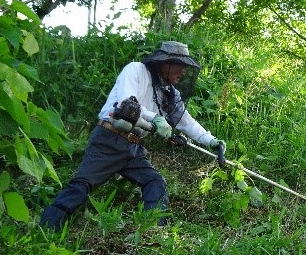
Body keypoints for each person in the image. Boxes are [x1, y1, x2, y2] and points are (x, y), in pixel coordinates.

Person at [40, 41, 226, 230]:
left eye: (186, 67)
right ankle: (48, 227)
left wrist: (210, 141)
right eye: (180, 66)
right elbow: (127, 103)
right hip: (109, 138)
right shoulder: (136, 71)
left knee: (154, 182)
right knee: (83, 184)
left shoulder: (170, 92)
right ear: (166, 63)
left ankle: (152, 230)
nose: (183, 72)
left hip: (133, 146)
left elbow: (186, 122)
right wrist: (155, 119)